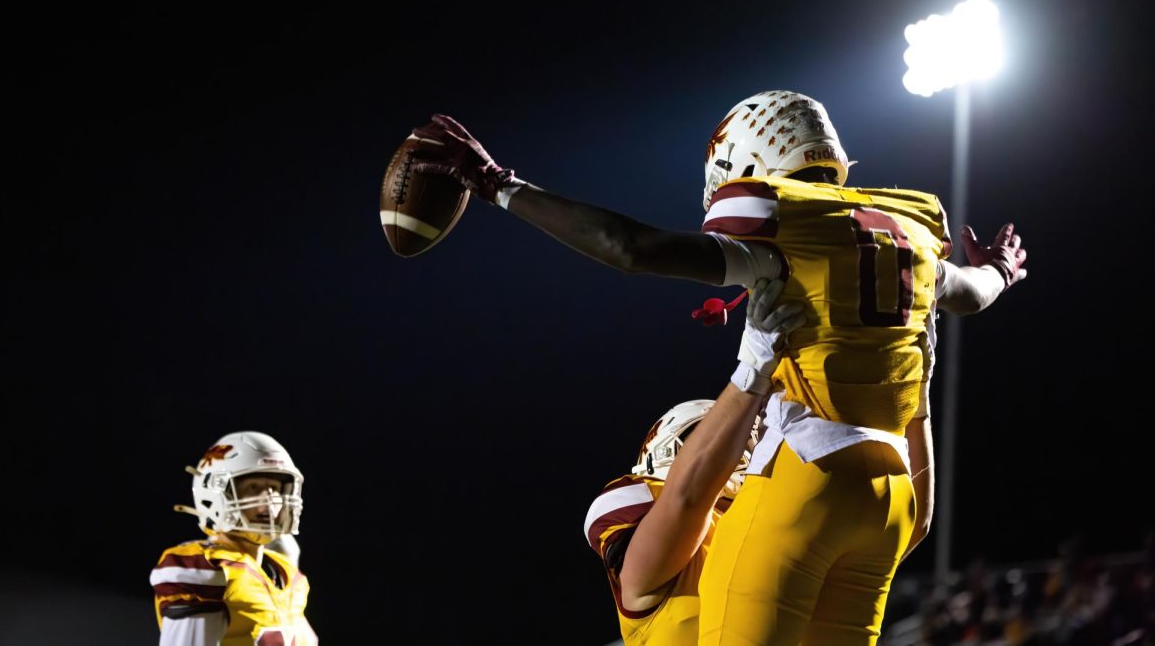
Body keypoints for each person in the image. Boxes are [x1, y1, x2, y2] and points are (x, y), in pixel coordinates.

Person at [408, 90, 1028, 645]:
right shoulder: (910, 231)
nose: (730, 454)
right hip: (882, 490)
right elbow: (971, 292)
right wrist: (988, 283)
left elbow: (630, 247)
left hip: (815, 478)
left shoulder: (783, 225)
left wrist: (499, 185)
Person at [585, 279, 803, 646]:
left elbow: (901, 523)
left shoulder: (769, 522)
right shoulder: (659, 536)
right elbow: (687, 499)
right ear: (669, 450)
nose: (744, 449)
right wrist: (753, 367)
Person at [150, 431, 318, 646]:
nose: (269, 501)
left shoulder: (286, 570)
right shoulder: (208, 569)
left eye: (274, 489)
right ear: (216, 492)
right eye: (253, 487)